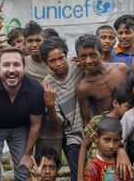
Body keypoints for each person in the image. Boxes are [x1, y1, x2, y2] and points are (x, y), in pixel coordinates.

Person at [0, 47, 45, 181]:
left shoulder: (35, 89)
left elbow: (35, 125)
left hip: (20, 128)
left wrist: (27, 153)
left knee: (25, 169)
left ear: (24, 68)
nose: (12, 70)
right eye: (6, 65)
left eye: (17, 65)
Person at [40, 36, 85, 179]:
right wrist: (50, 105)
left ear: (66, 55)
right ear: (46, 63)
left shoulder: (77, 65)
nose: (59, 63)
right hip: (74, 136)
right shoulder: (48, 84)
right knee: (77, 175)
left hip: (95, 130)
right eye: (52, 61)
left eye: (61, 58)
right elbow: (57, 123)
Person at [78, 84, 134, 180]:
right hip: (93, 173)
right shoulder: (97, 121)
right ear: (115, 103)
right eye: (128, 107)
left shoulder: (129, 125)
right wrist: (79, 177)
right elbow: (84, 146)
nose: (131, 111)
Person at [75, 34, 128, 126]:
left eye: (93, 55)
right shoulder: (84, 88)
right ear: (78, 58)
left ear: (101, 53)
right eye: (83, 57)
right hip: (110, 129)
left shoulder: (121, 69)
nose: (89, 61)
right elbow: (86, 121)